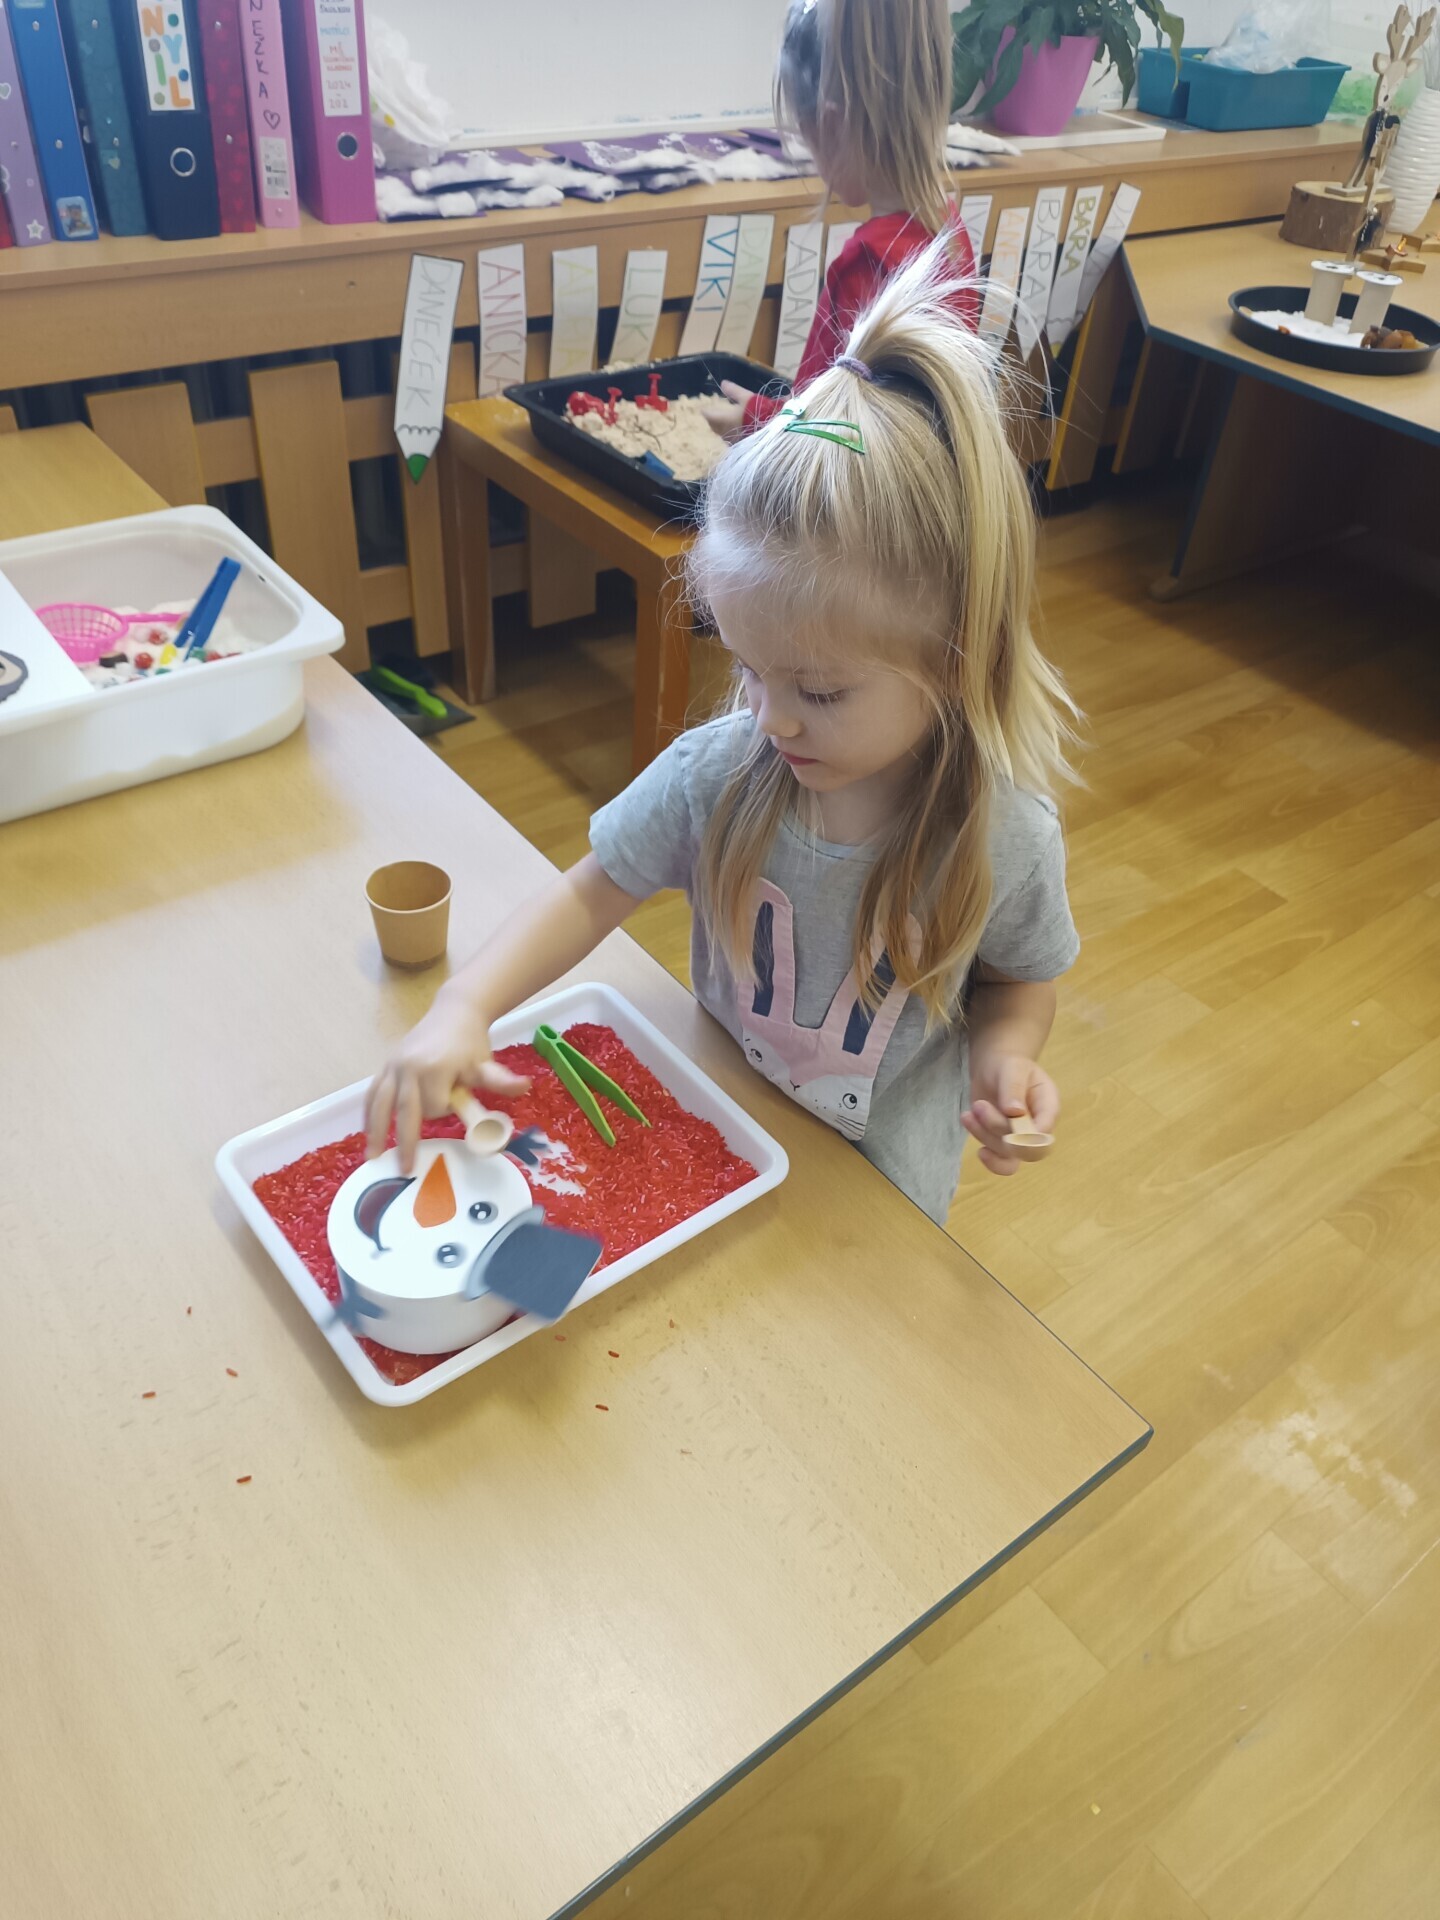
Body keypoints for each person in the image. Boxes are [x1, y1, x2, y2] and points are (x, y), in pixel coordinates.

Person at [366, 247, 1079, 1226]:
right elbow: (588, 892)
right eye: (746, 666)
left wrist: (1006, 1060)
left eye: (819, 690)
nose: (769, 717)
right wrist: (464, 1007)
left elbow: (1016, 983)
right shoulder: (720, 773)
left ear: (958, 660)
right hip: (718, 1143)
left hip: (879, 1203)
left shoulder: (1007, 839)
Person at [701, 0, 978, 444]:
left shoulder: (867, 264)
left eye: (806, 139)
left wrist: (753, 424)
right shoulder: (949, 233)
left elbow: (820, 438)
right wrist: (761, 410)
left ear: (831, 126)